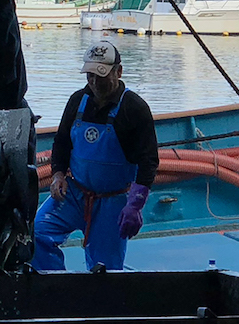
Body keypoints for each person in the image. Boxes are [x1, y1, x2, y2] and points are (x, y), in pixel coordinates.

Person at [32, 39, 158, 272]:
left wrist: (135, 204)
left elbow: (148, 161)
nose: (94, 82)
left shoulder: (135, 109)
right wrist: (58, 175)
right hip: (74, 192)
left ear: (118, 71)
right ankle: (54, 288)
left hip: (112, 200)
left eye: (101, 75)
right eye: (90, 75)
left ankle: (97, 305)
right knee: (38, 233)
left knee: (105, 269)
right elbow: (61, 142)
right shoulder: (77, 100)